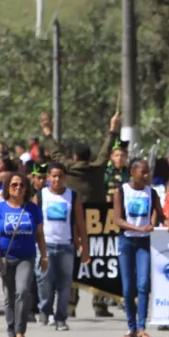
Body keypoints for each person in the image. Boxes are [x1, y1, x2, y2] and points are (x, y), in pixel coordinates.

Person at [41, 111, 121, 319]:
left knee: (73, 262)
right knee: (101, 259)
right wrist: (113, 129)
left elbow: (57, 154)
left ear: (75, 157)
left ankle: (69, 304)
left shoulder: (69, 169)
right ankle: (100, 302)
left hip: (73, 220)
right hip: (100, 219)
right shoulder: (98, 167)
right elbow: (105, 151)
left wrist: (48, 133)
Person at [0, 173, 46, 337]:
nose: (18, 188)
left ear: (26, 188)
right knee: (8, 296)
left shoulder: (33, 209)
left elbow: (40, 235)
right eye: (14, 185)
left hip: (26, 257)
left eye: (21, 185)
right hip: (6, 258)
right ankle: (11, 332)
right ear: (7, 188)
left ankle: (20, 330)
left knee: (22, 291)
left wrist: (44, 256)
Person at [112, 158, 161, 337]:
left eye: (148, 171)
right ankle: (130, 326)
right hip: (127, 241)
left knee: (143, 284)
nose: (146, 175)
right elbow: (118, 219)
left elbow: (157, 210)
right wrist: (138, 228)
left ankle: (141, 327)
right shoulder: (122, 191)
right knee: (127, 287)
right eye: (143, 172)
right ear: (133, 172)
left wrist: (153, 222)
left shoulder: (151, 192)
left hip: (144, 244)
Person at [38, 162, 89, 331]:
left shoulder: (72, 197)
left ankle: (61, 318)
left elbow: (81, 224)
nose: (57, 179)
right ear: (48, 178)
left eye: (60, 176)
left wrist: (85, 248)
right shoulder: (41, 196)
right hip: (46, 246)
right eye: (53, 176)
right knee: (45, 281)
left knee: (65, 284)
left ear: (65, 178)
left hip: (66, 246)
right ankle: (45, 309)